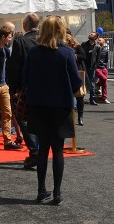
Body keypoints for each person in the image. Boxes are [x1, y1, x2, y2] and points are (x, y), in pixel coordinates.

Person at [22, 16, 82, 206]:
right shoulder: (66, 53)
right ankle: (57, 193)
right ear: (61, 30)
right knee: (58, 150)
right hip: (60, 106)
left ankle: (41, 190)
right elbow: (76, 81)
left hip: (38, 105)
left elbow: (25, 77)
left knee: (42, 150)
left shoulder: (33, 52)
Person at [8, 13, 40, 169]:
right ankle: (37, 151)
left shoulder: (21, 41)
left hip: (25, 88)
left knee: (22, 118)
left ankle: (35, 152)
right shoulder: (43, 39)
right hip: (44, 87)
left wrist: (13, 88)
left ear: (25, 25)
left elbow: (15, 66)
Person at [66, 33, 87, 125]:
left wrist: (75, 56)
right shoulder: (64, 49)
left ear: (70, 41)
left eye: (66, 41)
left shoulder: (77, 47)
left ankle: (80, 117)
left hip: (78, 72)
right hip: (68, 73)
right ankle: (70, 117)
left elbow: (83, 56)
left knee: (80, 96)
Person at [80, 32, 98, 104]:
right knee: (82, 82)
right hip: (84, 66)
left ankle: (92, 99)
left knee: (92, 83)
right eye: (90, 34)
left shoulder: (96, 46)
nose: (90, 35)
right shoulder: (84, 44)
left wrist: (95, 66)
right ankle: (81, 98)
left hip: (91, 67)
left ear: (95, 37)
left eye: (92, 34)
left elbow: (98, 57)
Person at [92, 37, 110, 104]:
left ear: (103, 42)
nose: (98, 41)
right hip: (97, 68)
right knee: (104, 79)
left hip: (103, 68)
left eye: (100, 40)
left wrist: (105, 68)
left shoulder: (105, 51)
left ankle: (104, 98)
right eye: (98, 40)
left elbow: (106, 60)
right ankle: (96, 85)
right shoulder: (95, 49)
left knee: (104, 83)